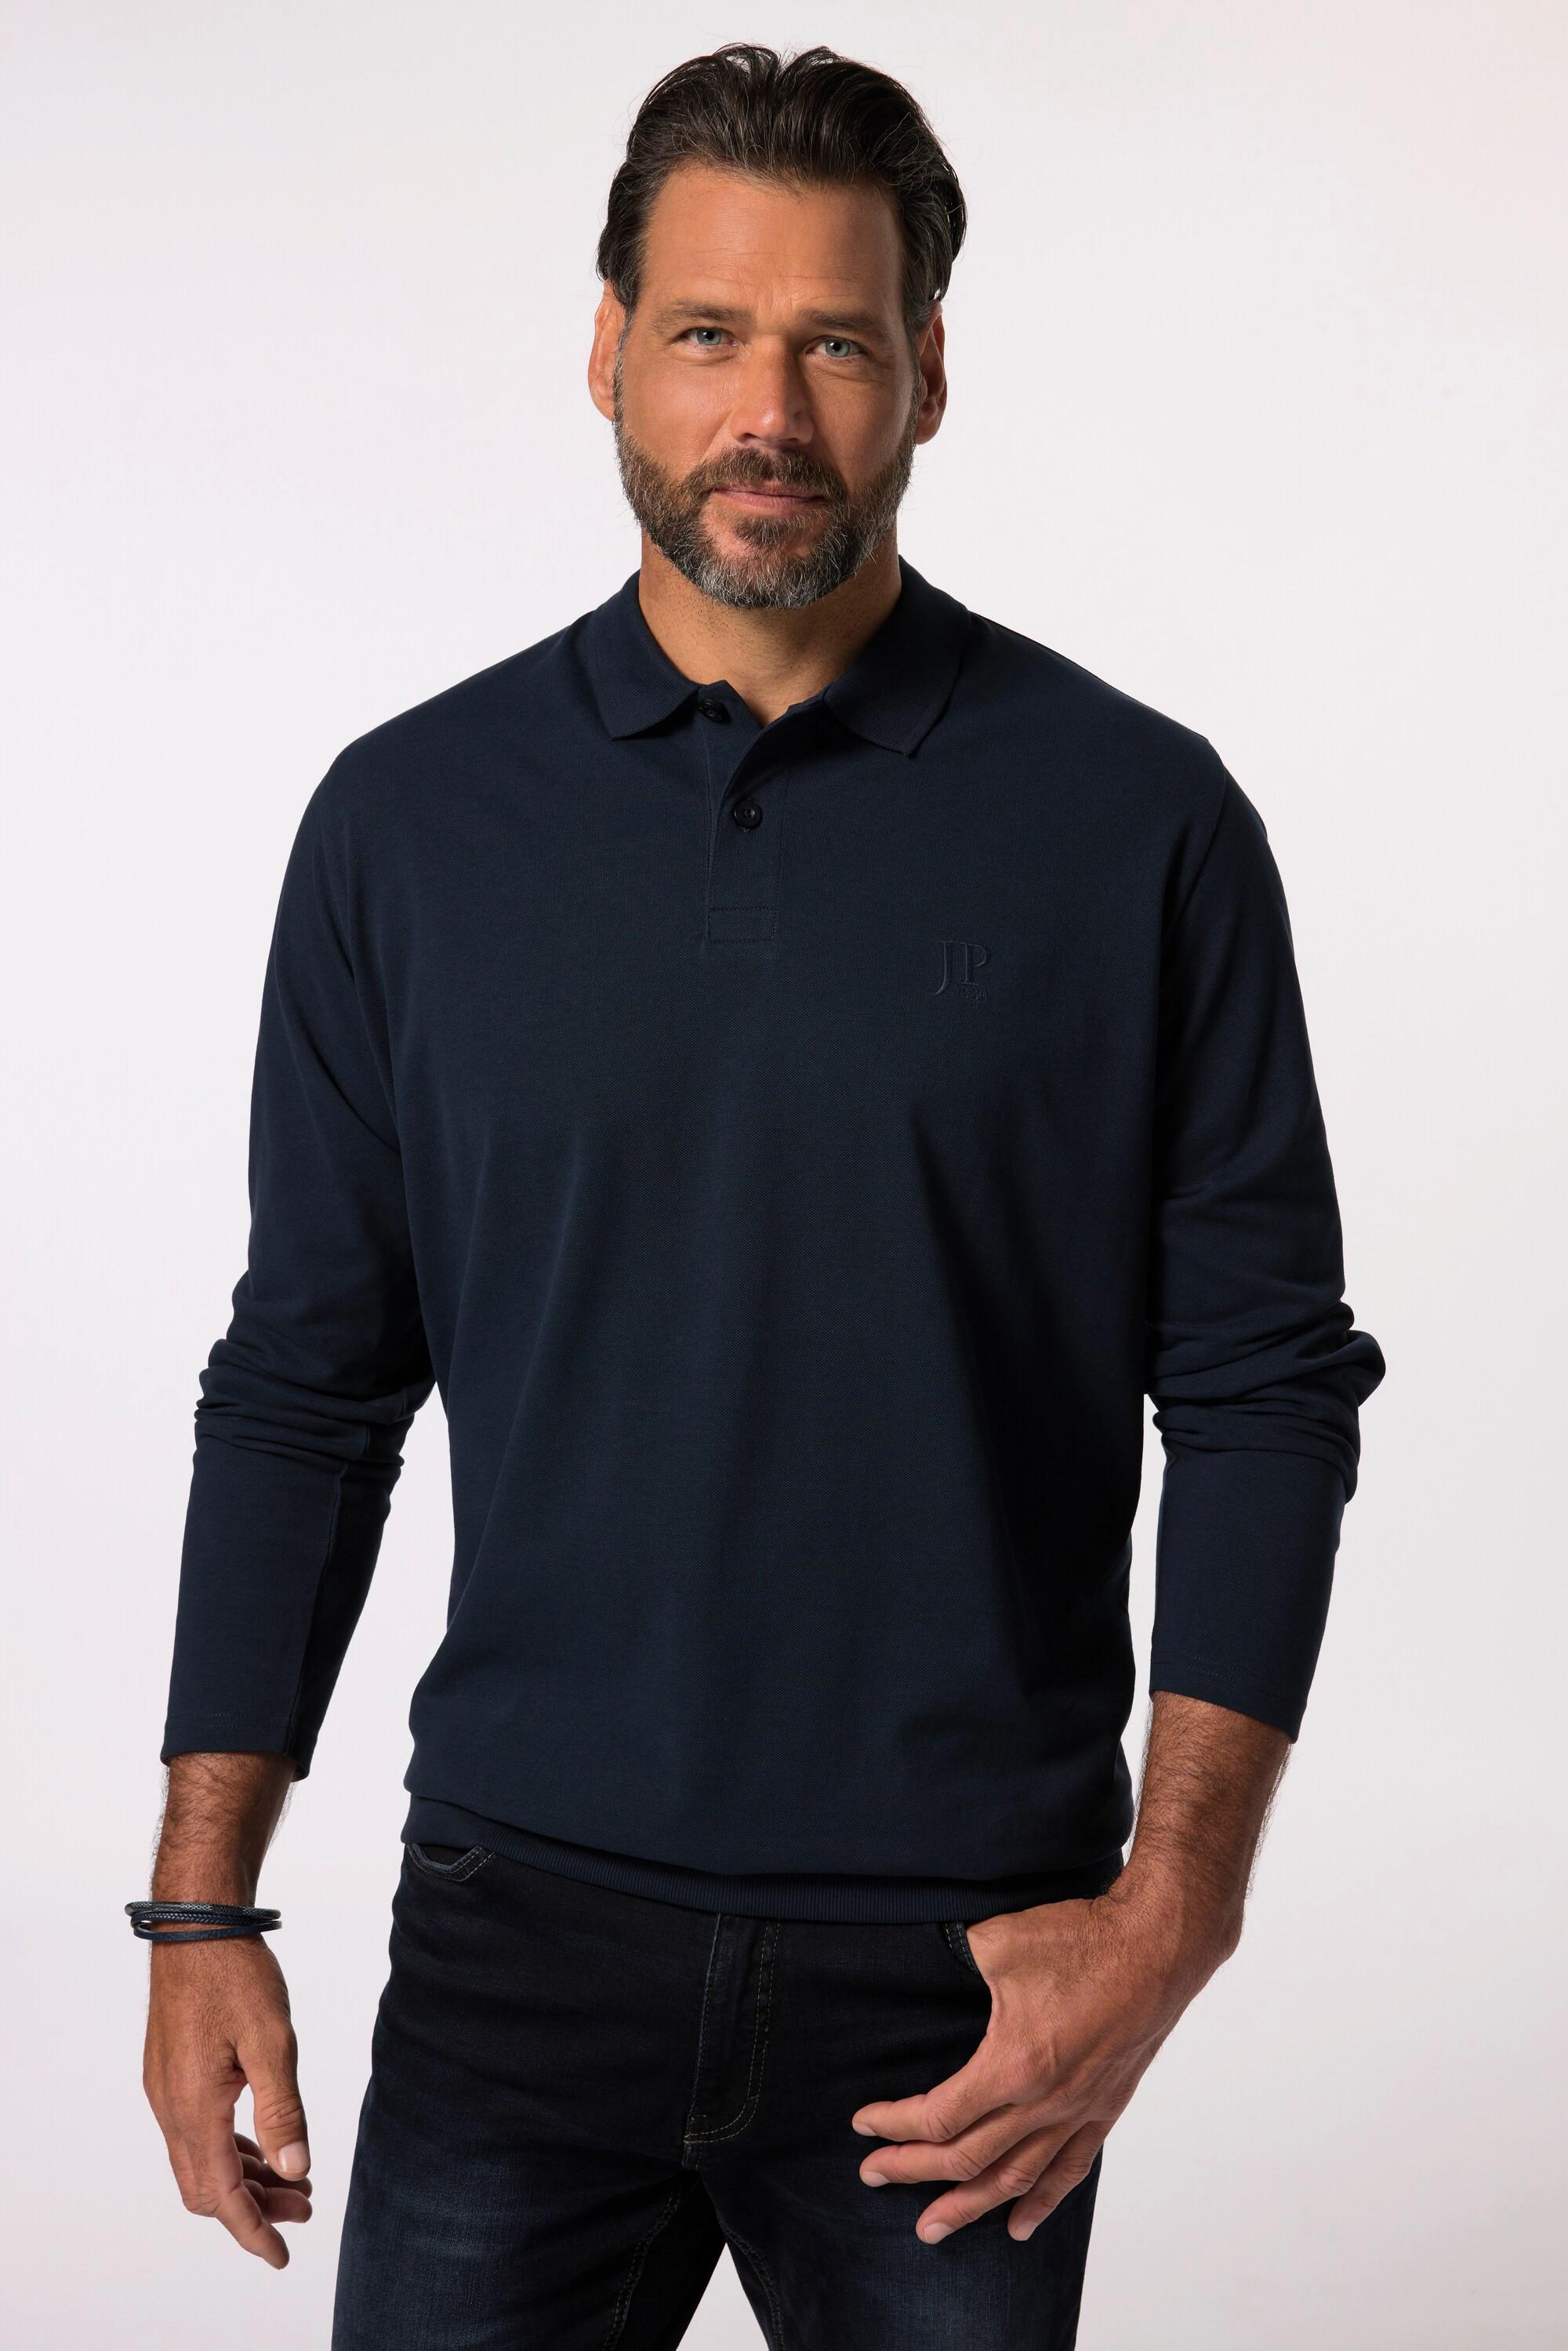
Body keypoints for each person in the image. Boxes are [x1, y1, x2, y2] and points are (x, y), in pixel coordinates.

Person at [137, 42, 1385, 2350]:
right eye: (710, 332)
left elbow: (1264, 1389)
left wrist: (1173, 1915)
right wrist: (201, 1904)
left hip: (967, 1979)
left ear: (932, 374)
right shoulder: (409, 826)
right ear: (611, 349)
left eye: (838, 342)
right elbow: (307, 1382)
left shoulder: (1143, 828)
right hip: (516, 1942)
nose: (770, 411)